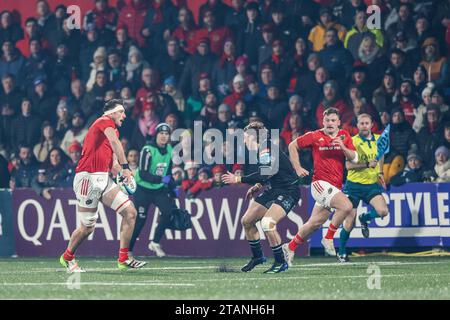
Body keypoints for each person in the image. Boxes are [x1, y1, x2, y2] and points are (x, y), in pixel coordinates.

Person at [59, 99, 146, 272]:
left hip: (103, 179)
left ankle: (123, 259)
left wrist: (121, 172)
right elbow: (115, 144)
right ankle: (67, 257)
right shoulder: (104, 121)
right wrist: (127, 167)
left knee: (130, 213)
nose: (124, 115)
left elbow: (112, 162)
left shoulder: (111, 132)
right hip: (87, 179)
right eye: (121, 111)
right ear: (111, 113)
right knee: (87, 228)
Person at [222, 121, 301, 274]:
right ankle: (258, 257)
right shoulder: (263, 148)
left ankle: (280, 262)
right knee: (247, 220)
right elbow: (270, 173)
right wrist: (258, 185)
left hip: (288, 191)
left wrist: (238, 179)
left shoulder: (266, 149)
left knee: (267, 223)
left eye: (246, 138)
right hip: (275, 189)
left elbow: (265, 173)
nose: (244, 141)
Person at [282, 107, 357, 265]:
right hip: (319, 184)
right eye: (327, 120)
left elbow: (355, 158)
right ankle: (329, 238)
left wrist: (343, 147)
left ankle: (289, 247)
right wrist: (297, 167)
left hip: (335, 187)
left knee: (314, 223)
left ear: (338, 123)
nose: (330, 123)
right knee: (347, 206)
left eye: (333, 120)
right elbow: (292, 146)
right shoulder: (315, 136)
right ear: (323, 121)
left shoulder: (344, 135)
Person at [337, 114, 389, 262]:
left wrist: (380, 172)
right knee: (349, 223)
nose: (364, 125)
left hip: (371, 185)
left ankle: (364, 218)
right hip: (353, 186)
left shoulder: (379, 139)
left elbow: (381, 154)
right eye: (361, 123)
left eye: (367, 123)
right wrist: (367, 165)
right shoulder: (353, 141)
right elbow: (348, 165)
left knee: (383, 211)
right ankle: (341, 252)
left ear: (372, 124)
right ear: (358, 125)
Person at [129, 123, 178, 258]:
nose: (164, 136)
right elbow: (144, 173)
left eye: (166, 134)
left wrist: (173, 188)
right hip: (143, 189)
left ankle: (155, 242)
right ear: (156, 134)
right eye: (161, 133)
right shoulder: (148, 149)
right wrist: (162, 180)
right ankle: (128, 250)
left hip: (158, 189)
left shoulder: (169, 149)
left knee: (169, 211)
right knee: (140, 221)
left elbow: (167, 172)